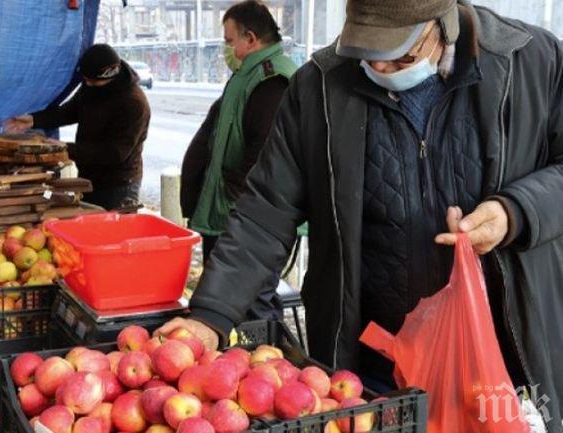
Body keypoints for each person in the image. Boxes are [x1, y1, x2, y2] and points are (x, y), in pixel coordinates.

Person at [159, 0, 563, 431]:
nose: (380, 66)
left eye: (400, 55)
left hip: (501, 361)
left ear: (440, 23)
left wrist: (515, 211)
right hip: (373, 368)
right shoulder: (320, 86)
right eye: (366, 51)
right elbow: (265, 212)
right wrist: (212, 314)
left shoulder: (528, 62)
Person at [181, 0, 297, 262]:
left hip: (246, 220)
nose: (226, 49)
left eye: (229, 41)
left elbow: (263, 153)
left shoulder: (271, 80)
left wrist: (231, 193)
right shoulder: (248, 74)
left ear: (251, 39)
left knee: (237, 287)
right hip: (231, 213)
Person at [4, 44, 150, 210]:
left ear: (110, 74)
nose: (88, 84)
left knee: (111, 225)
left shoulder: (133, 103)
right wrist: (34, 120)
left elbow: (115, 153)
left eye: (92, 81)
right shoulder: (90, 85)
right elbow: (70, 111)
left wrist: (65, 149)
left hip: (118, 184)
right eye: (85, 80)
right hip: (88, 176)